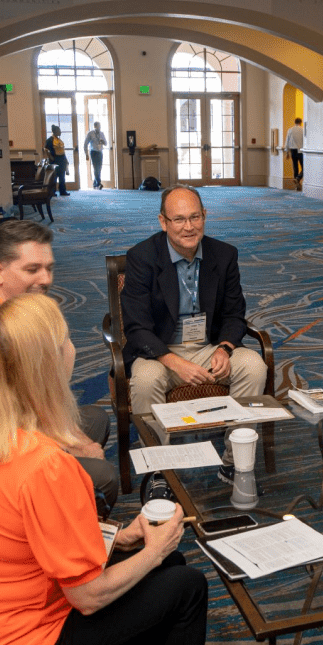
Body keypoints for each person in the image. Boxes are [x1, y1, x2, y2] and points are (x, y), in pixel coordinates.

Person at [0, 294, 208, 645]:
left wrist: (121, 537)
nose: (75, 347)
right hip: (26, 644)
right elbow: (87, 598)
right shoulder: (46, 466)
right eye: (67, 339)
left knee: (170, 564)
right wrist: (153, 550)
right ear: (49, 365)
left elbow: (26, 533)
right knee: (185, 584)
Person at [0, 219, 118, 514]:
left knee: (95, 419)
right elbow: (7, 424)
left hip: (21, 427)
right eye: (32, 269)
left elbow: (37, 400)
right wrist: (73, 445)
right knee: (102, 477)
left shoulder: (22, 315)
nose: (45, 279)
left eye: (49, 268)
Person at [121, 184, 267, 477]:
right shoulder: (141, 258)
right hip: (160, 351)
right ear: (163, 222)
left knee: (254, 366)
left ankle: (235, 462)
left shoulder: (224, 255)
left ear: (205, 216)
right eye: (179, 219)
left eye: (195, 217)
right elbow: (136, 327)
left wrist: (225, 348)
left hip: (208, 347)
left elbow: (234, 313)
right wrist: (173, 361)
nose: (188, 227)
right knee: (146, 381)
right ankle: (160, 473)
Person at [44, 124, 70, 196]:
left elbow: (62, 151)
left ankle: (63, 191)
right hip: (55, 160)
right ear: (55, 131)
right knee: (54, 177)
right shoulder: (50, 140)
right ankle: (52, 192)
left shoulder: (59, 140)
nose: (60, 132)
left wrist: (66, 160)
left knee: (62, 176)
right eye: (59, 131)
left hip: (62, 159)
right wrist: (50, 157)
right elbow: (45, 149)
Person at [84, 121, 108, 189]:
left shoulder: (101, 133)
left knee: (99, 168)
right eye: (97, 126)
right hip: (93, 152)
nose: (99, 128)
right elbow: (85, 143)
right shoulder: (90, 133)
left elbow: (106, 143)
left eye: (100, 126)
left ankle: (95, 184)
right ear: (94, 126)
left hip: (100, 152)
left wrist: (103, 142)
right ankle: (99, 183)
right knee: (96, 168)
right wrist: (86, 154)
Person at [285, 117, 304, 187]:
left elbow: (287, 141)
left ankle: (297, 183)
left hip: (293, 150)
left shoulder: (290, 130)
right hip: (301, 150)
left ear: (295, 122)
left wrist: (287, 152)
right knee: (304, 167)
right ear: (301, 122)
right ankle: (298, 178)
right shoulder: (303, 130)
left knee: (295, 167)